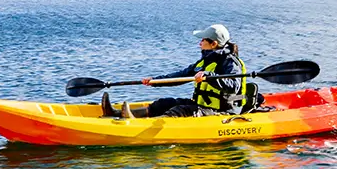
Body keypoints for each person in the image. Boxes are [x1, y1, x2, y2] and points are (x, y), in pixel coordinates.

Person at [102, 24, 247, 118]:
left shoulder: (230, 62)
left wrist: (209, 76)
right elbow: (181, 75)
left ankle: (139, 126)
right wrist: (155, 81)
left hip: (222, 112)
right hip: (204, 106)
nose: (199, 43)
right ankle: (117, 113)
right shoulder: (205, 61)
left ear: (214, 43)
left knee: (180, 111)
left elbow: (234, 86)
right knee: (164, 104)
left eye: (203, 40)